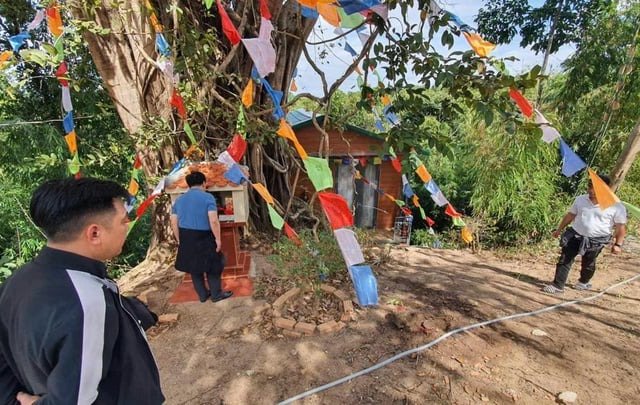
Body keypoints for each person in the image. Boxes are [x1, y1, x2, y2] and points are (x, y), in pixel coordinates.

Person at [0, 178, 164, 404]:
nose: (127, 227)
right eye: (123, 221)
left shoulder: (18, 281)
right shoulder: (88, 304)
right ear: (94, 233)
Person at [543, 175, 627, 294]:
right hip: (575, 234)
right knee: (565, 258)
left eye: (594, 188)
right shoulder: (580, 199)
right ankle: (558, 285)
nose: (591, 191)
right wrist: (559, 229)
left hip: (596, 241)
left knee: (588, 263)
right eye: (589, 187)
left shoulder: (616, 206)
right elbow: (570, 215)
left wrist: (618, 244)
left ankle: (584, 281)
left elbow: (620, 227)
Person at [170, 171, 232, 302]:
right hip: (204, 236)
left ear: (189, 185)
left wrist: (179, 239)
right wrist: (218, 239)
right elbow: (213, 220)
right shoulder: (208, 197)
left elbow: (174, 222)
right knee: (214, 265)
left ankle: (203, 295)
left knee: (194, 267)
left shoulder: (179, 200)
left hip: (186, 236)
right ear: (204, 183)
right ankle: (216, 295)